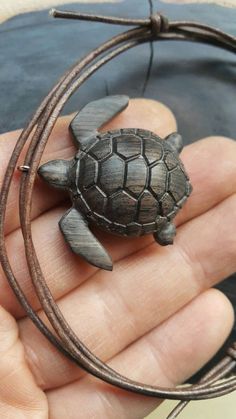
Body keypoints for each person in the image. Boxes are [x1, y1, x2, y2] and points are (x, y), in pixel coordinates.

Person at [0, 99, 235, 418]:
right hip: (160, 155)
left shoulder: (75, 211)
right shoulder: (86, 139)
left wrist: (100, 257)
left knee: (163, 234)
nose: (47, 175)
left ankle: (163, 224)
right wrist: (99, 257)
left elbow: (83, 241)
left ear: (61, 180)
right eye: (50, 175)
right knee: (163, 227)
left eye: (50, 176)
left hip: (157, 179)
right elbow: (85, 245)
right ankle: (168, 176)